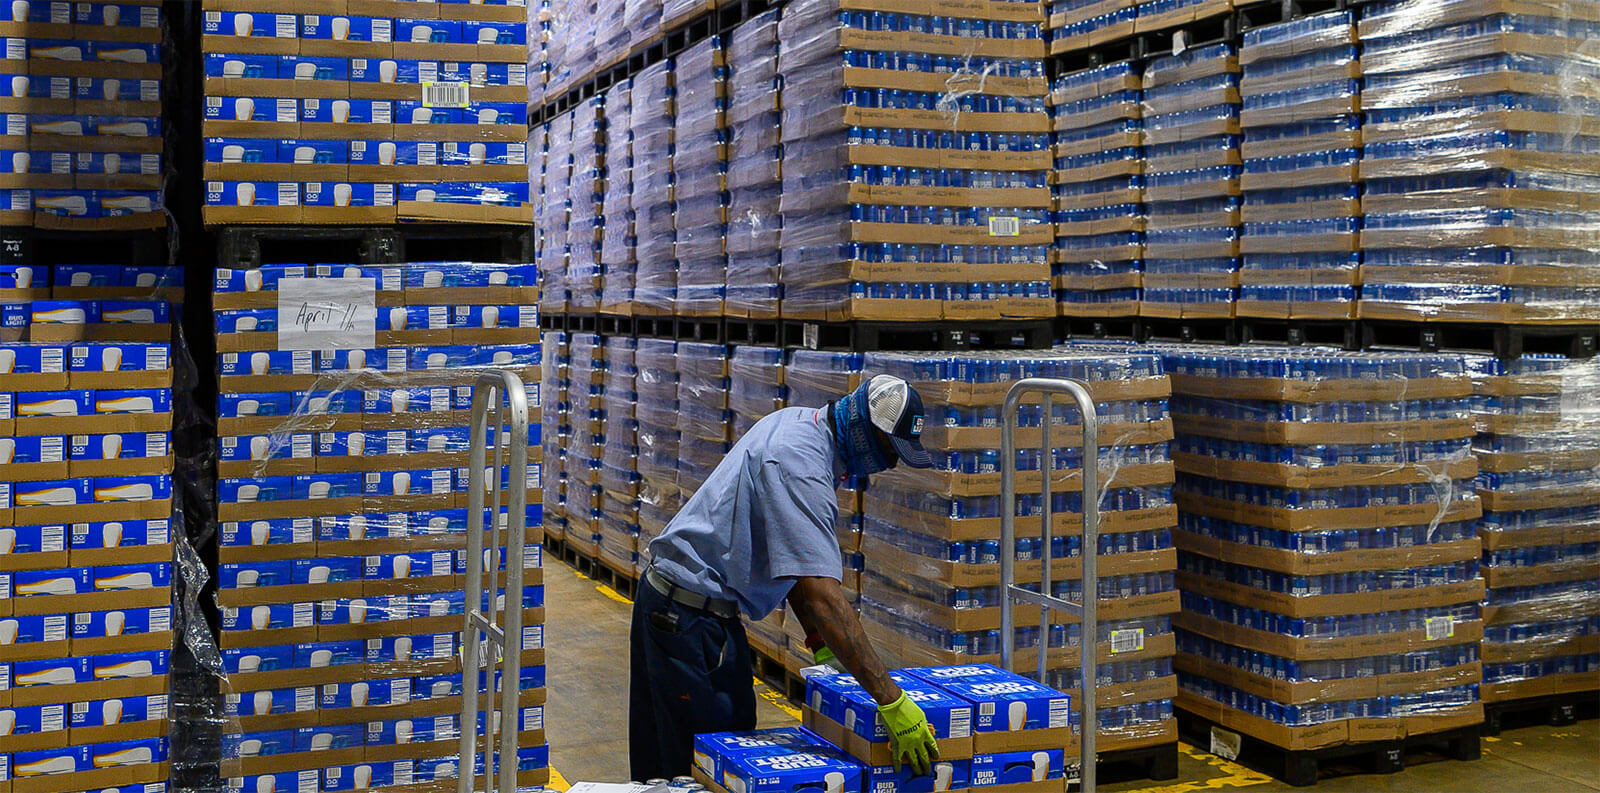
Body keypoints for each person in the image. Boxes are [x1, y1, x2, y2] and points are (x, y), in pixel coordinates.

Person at [630, 374, 943, 781]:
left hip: (676, 606)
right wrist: (890, 700)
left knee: (672, 760)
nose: (892, 464)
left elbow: (791, 559)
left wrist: (821, 644)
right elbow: (820, 595)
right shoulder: (800, 464)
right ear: (867, 433)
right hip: (689, 621)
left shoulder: (803, 425)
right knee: (704, 765)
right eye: (890, 450)